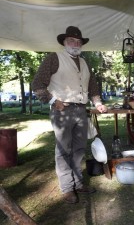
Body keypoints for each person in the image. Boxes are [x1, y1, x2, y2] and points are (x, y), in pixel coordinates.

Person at [32, 26, 107, 204]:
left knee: (79, 148)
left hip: (81, 110)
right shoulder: (54, 58)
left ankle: (78, 183)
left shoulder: (85, 62)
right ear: (64, 42)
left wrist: (98, 103)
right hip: (62, 110)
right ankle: (67, 188)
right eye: (71, 41)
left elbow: (92, 87)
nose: (75, 44)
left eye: (78, 41)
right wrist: (52, 101)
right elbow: (37, 84)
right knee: (63, 150)